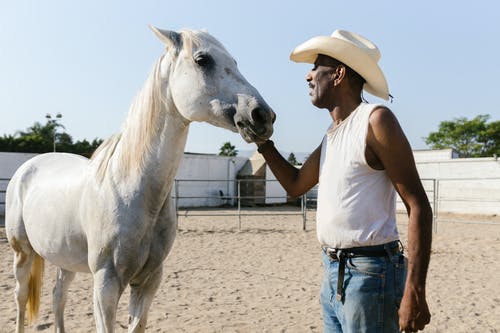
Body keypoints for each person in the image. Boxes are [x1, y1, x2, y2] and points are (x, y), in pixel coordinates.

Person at [256, 30, 432, 333]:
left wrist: (415, 291)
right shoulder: (332, 135)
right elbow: (295, 184)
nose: (308, 77)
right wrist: (263, 143)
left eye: (315, 67)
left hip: (370, 277)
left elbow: (418, 206)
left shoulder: (376, 121)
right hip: (333, 273)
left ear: (338, 74)